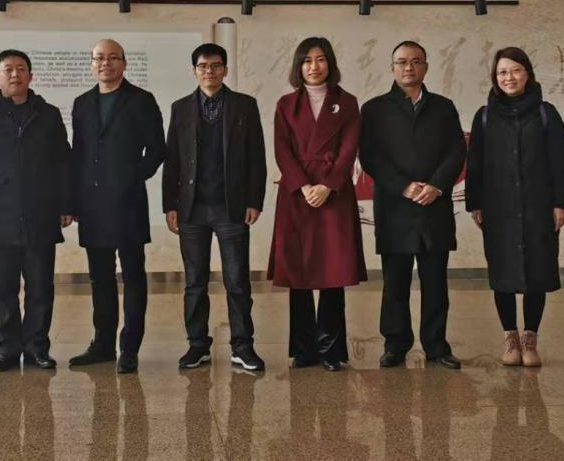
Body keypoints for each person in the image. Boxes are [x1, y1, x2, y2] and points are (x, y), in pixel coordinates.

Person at [0, 49, 72, 372]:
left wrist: (66, 204)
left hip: (41, 213)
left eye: (21, 69)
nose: (15, 74)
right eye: (8, 69)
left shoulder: (48, 114)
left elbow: (64, 162)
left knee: (41, 286)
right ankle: (7, 348)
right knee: (3, 288)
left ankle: (37, 347)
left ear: (30, 76)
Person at [360, 40, 466, 370]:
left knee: (435, 283)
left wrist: (436, 186)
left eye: (416, 61)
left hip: (434, 205)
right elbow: (370, 157)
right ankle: (395, 344)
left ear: (426, 67)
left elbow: (456, 151)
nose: (409, 67)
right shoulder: (374, 109)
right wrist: (404, 186)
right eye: (402, 62)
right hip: (395, 207)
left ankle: (436, 346)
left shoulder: (444, 107)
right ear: (392, 67)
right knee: (395, 283)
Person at [163, 43, 268, 372]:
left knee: (237, 281)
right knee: (195, 282)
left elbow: (257, 157)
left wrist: (254, 200)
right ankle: (197, 345)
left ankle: (242, 346)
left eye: (216, 65)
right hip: (191, 209)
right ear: (194, 71)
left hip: (231, 208)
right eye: (203, 66)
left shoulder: (244, 105)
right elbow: (172, 159)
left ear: (225, 69)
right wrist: (170, 205)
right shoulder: (181, 108)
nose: (209, 71)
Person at [465, 47, 564, 368]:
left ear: (527, 73)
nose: (508, 77)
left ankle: (530, 339)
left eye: (515, 70)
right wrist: (475, 203)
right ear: (495, 77)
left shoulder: (546, 113)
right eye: (502, 72)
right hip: (498, 207)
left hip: (538, 206)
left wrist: (560, 203)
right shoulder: (485, 116)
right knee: (503, 272)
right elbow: (475, 164)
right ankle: (510, 338)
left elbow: (559, 161)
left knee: (537, 271)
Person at [267, 36, 366, 372]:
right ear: (299, 66)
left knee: (332, 272)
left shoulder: (347, 102)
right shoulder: (285, 104)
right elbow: (282, 150)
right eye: (307, 61)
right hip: (297, 194)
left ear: (330, 63)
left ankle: (331, 350)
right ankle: (304, 349)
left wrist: (327, 186)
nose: (314, 66)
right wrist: (305, 186)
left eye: (320, 59)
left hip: (333, 194)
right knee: (299, 273)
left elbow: (349, 150)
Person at [67, 39, 166, 374]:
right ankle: (103, 344)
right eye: (99, 58)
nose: (105, 63)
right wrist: (74, 200)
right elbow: (78, 154)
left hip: (127, 201)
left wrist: (132, 176)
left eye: (112, 58)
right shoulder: (82, 103)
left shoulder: (141, 100)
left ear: (124, 63)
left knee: (133, 276)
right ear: (92, 64)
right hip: (92, 204)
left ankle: (130, 347)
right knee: (100, 277)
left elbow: (157, 149)